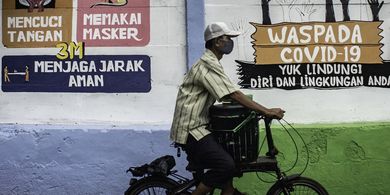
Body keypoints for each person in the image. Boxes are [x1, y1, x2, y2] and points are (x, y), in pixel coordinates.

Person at [170, 22, 285, 195]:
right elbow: (234, 94)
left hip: (198, 127)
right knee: (226, 165)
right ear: (217, 42)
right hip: (191, 130)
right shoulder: (207, 65)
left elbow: (229, 94)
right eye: (228, 38)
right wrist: (266, 111)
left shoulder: (211, 62)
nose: (230, 41)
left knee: (229, 168)